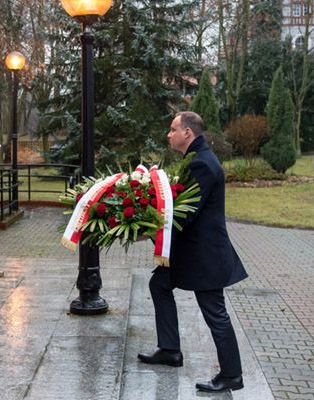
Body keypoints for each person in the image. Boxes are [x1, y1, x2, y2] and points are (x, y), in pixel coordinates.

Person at [137, 111, 248, 392]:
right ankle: (170, 349)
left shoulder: (202, 165)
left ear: (188, 133)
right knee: (159, 283)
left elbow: (185, 215)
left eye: (173, 129)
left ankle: (232, 375)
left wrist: (148, 224)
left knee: (214, 312)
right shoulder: (196, 159)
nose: (169, 134)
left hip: (204, 254)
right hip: (192, 251)